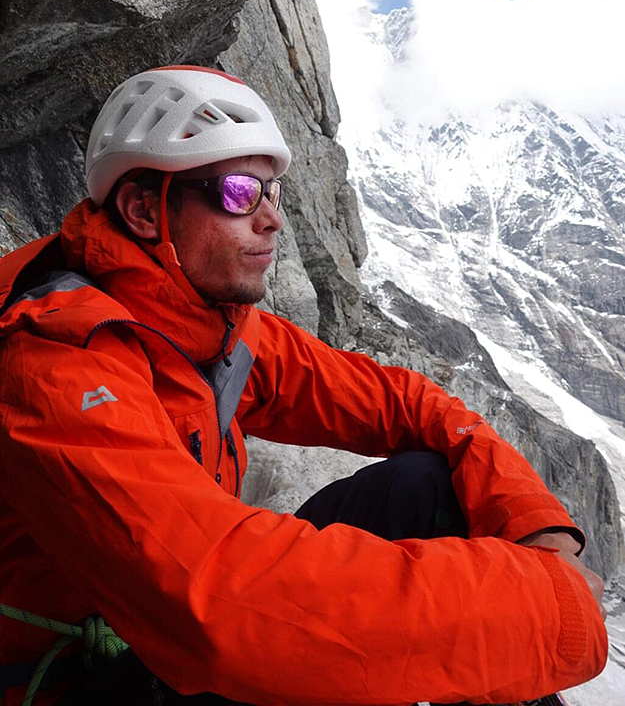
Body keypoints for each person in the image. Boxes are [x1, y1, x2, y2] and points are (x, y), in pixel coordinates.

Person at [0, 65, 607, 706]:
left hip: (155, 643)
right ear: (145, 211)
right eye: (238, 192)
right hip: (76, 681)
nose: (272, 220)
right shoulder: (56, 364)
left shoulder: (206, 325)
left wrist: (537, 529)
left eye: (274, 193)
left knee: (430, 487)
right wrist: (545, 605)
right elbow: (219, 607)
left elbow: (409, 403)